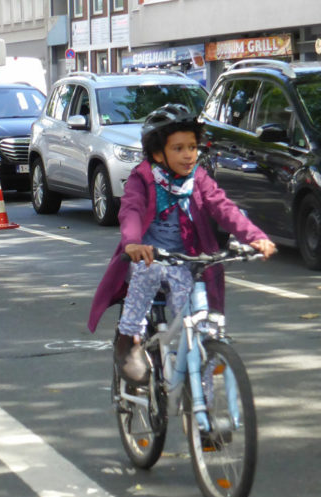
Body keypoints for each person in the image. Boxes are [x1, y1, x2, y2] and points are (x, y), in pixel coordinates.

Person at [87, 104, 277, 384]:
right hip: (149, 258)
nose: (188, 154)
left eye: (192, 146)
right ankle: (128, 340)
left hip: (186, 262)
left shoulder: (198, 179)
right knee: (148, 272)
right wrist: (132, 244)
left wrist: (254, 236)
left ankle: (203, 406)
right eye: (178, 148)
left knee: (198, 327)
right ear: (157, 153)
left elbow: (223, 207)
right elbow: (131, 211)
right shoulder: (144, 178)